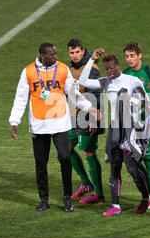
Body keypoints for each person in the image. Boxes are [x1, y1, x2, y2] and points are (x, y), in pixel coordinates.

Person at [9, 42, 100, 213]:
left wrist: (90, 107)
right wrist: (14, 121)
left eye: (56, 54)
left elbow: (73, 94)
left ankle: (67, 197)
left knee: (65, 158)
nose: (56, 57)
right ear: (42, 56)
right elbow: (20, 98)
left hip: (60, 122)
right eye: (52, 55)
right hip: (39, 124)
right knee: (41, 163)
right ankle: (44, 199)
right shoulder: (28, 71)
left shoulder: (63, 69)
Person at [79, 48, 150, 217]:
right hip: (115, 129)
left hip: (130, 128)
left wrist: (130, 99)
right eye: (107, 69)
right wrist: (92, 60)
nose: (109, 72)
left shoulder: (132, 80)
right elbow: (83, 81)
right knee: (114, 167)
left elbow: (146, 105)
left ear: (118, 66)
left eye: (112, 68)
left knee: (132, 168)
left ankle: (145, 198)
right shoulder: (106, 82)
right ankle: (116, 206)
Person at [122, 42, 150, 210]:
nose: (129, 59)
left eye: (132, 56)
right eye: (127, 56)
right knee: (132, 159)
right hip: (132, 123)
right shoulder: (125, 74)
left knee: (148, 157)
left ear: (140, 56)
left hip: (149, 122)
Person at [66, 39, 105, 204]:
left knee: (89, 152)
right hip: (72, 117)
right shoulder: (70, 69)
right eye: (71, 52)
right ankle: (86, 184)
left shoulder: (91, 69)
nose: (75, 55)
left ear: (83, 52)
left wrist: (93, 120)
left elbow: (96, 95)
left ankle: (99, 193)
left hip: (87, 117)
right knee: (65, 149)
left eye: (77, 52)